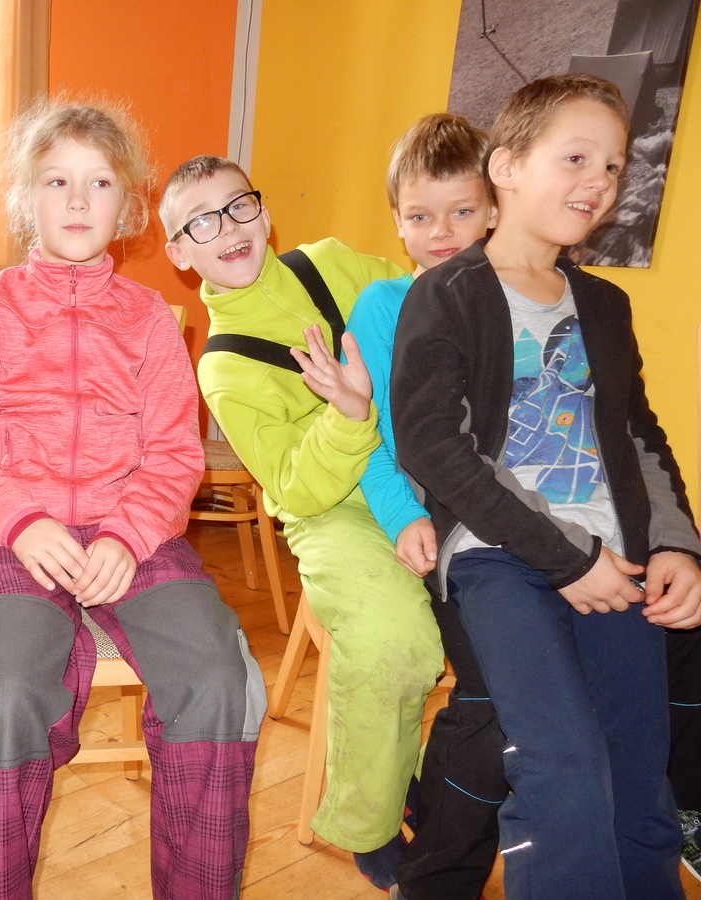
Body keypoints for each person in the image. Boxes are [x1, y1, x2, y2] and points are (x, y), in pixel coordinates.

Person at [0, 103, 267, 900]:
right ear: (25, 200)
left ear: (128, 206)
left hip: (135, 542)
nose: (78, 201)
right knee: (11, 692)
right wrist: (23, 523)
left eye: (100, 183)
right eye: (57, 182)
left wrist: (127, 534)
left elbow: (174, 454)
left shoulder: (149, 321)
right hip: (8, 542)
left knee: (220, 675)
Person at [392, 73, 701, 900]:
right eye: (575, 158)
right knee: (560, 763)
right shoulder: (446, 295)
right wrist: (567, 557)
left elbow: (639, 436)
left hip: (615, 561)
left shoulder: (604, 305)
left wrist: (675, 544)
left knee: (637, 767)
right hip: (502, 560)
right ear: (506, 168)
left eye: (613, 166)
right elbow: (435, 447)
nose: (599, 181)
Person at [160, 155, 445, 888]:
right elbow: (296, 487)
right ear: (179, 254)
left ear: (264, 213)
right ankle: (369, 821)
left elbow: (431, 301)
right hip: (336, 515)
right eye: (201, 222)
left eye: (239, 206)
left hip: (430, 473)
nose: (228, 228)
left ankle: (430, 772)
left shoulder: (333, 263)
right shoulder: (223, 367)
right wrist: (349, 415)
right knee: (395, 642)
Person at [348, 113, 506, 900]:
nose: (440, 232)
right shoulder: (384, 306)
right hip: (434, 526)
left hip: (508, 523)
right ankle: (436, 832)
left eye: (461, 211)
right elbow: (370, 436)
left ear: (494, 210)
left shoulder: (515, 300)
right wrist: (402, 516)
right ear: (397, 222)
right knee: (492, 678)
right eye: (420, 216)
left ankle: (445, 796)